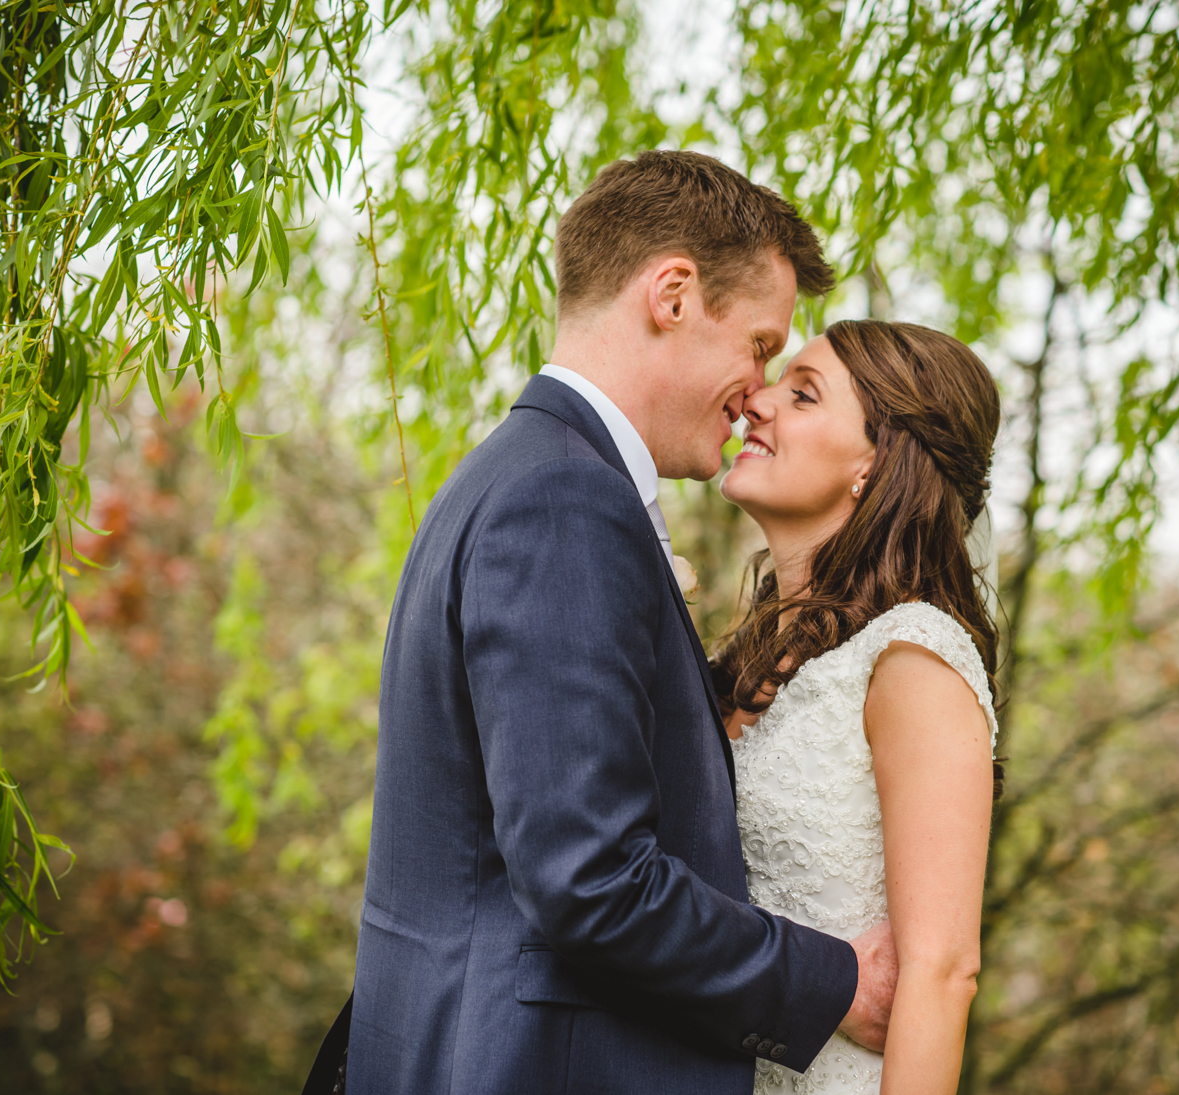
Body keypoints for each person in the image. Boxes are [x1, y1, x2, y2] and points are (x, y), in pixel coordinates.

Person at [334, 151, 899, 1095]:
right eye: (760, 345)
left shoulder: (509, 476)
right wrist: (832, 980)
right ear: (672, 293)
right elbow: (589, 878)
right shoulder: (563, 500)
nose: (757, 390)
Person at [715, 321, 1002, 1094]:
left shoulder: (913, 658)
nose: (755, 403)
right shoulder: (745, 666)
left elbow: (943, 971)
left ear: (875, 464)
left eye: (801, 394)